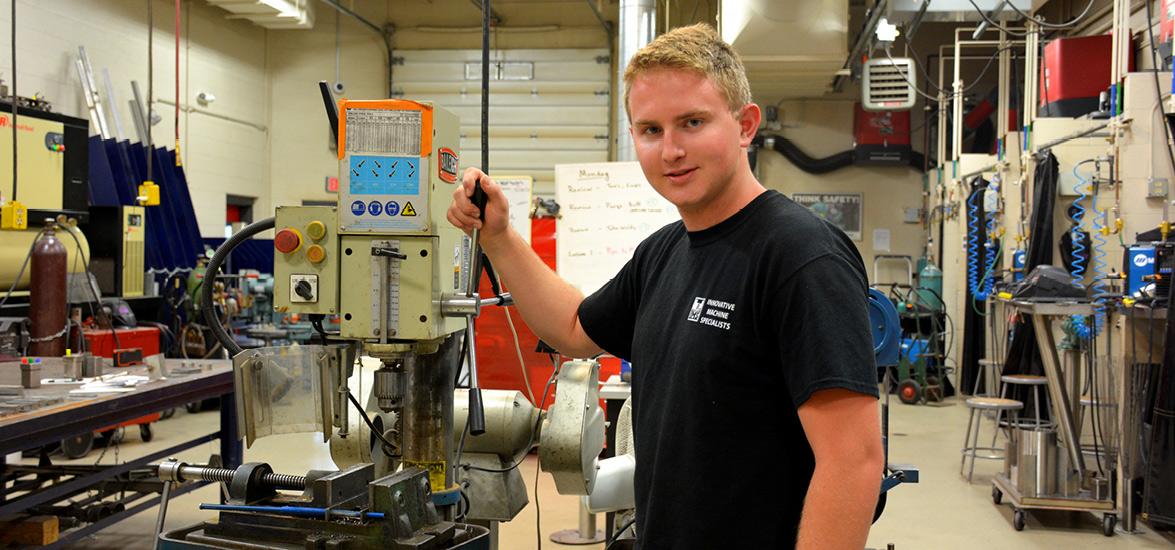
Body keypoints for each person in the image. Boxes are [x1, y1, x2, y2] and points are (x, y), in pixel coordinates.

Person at [447, 23, 883, 550]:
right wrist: (499, 237)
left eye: (692, 122)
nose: (671, 150)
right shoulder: (663, 252)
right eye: (651, 130)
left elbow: (853, 463)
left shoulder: (800, 256)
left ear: (745, 125)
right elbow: (572, 327)